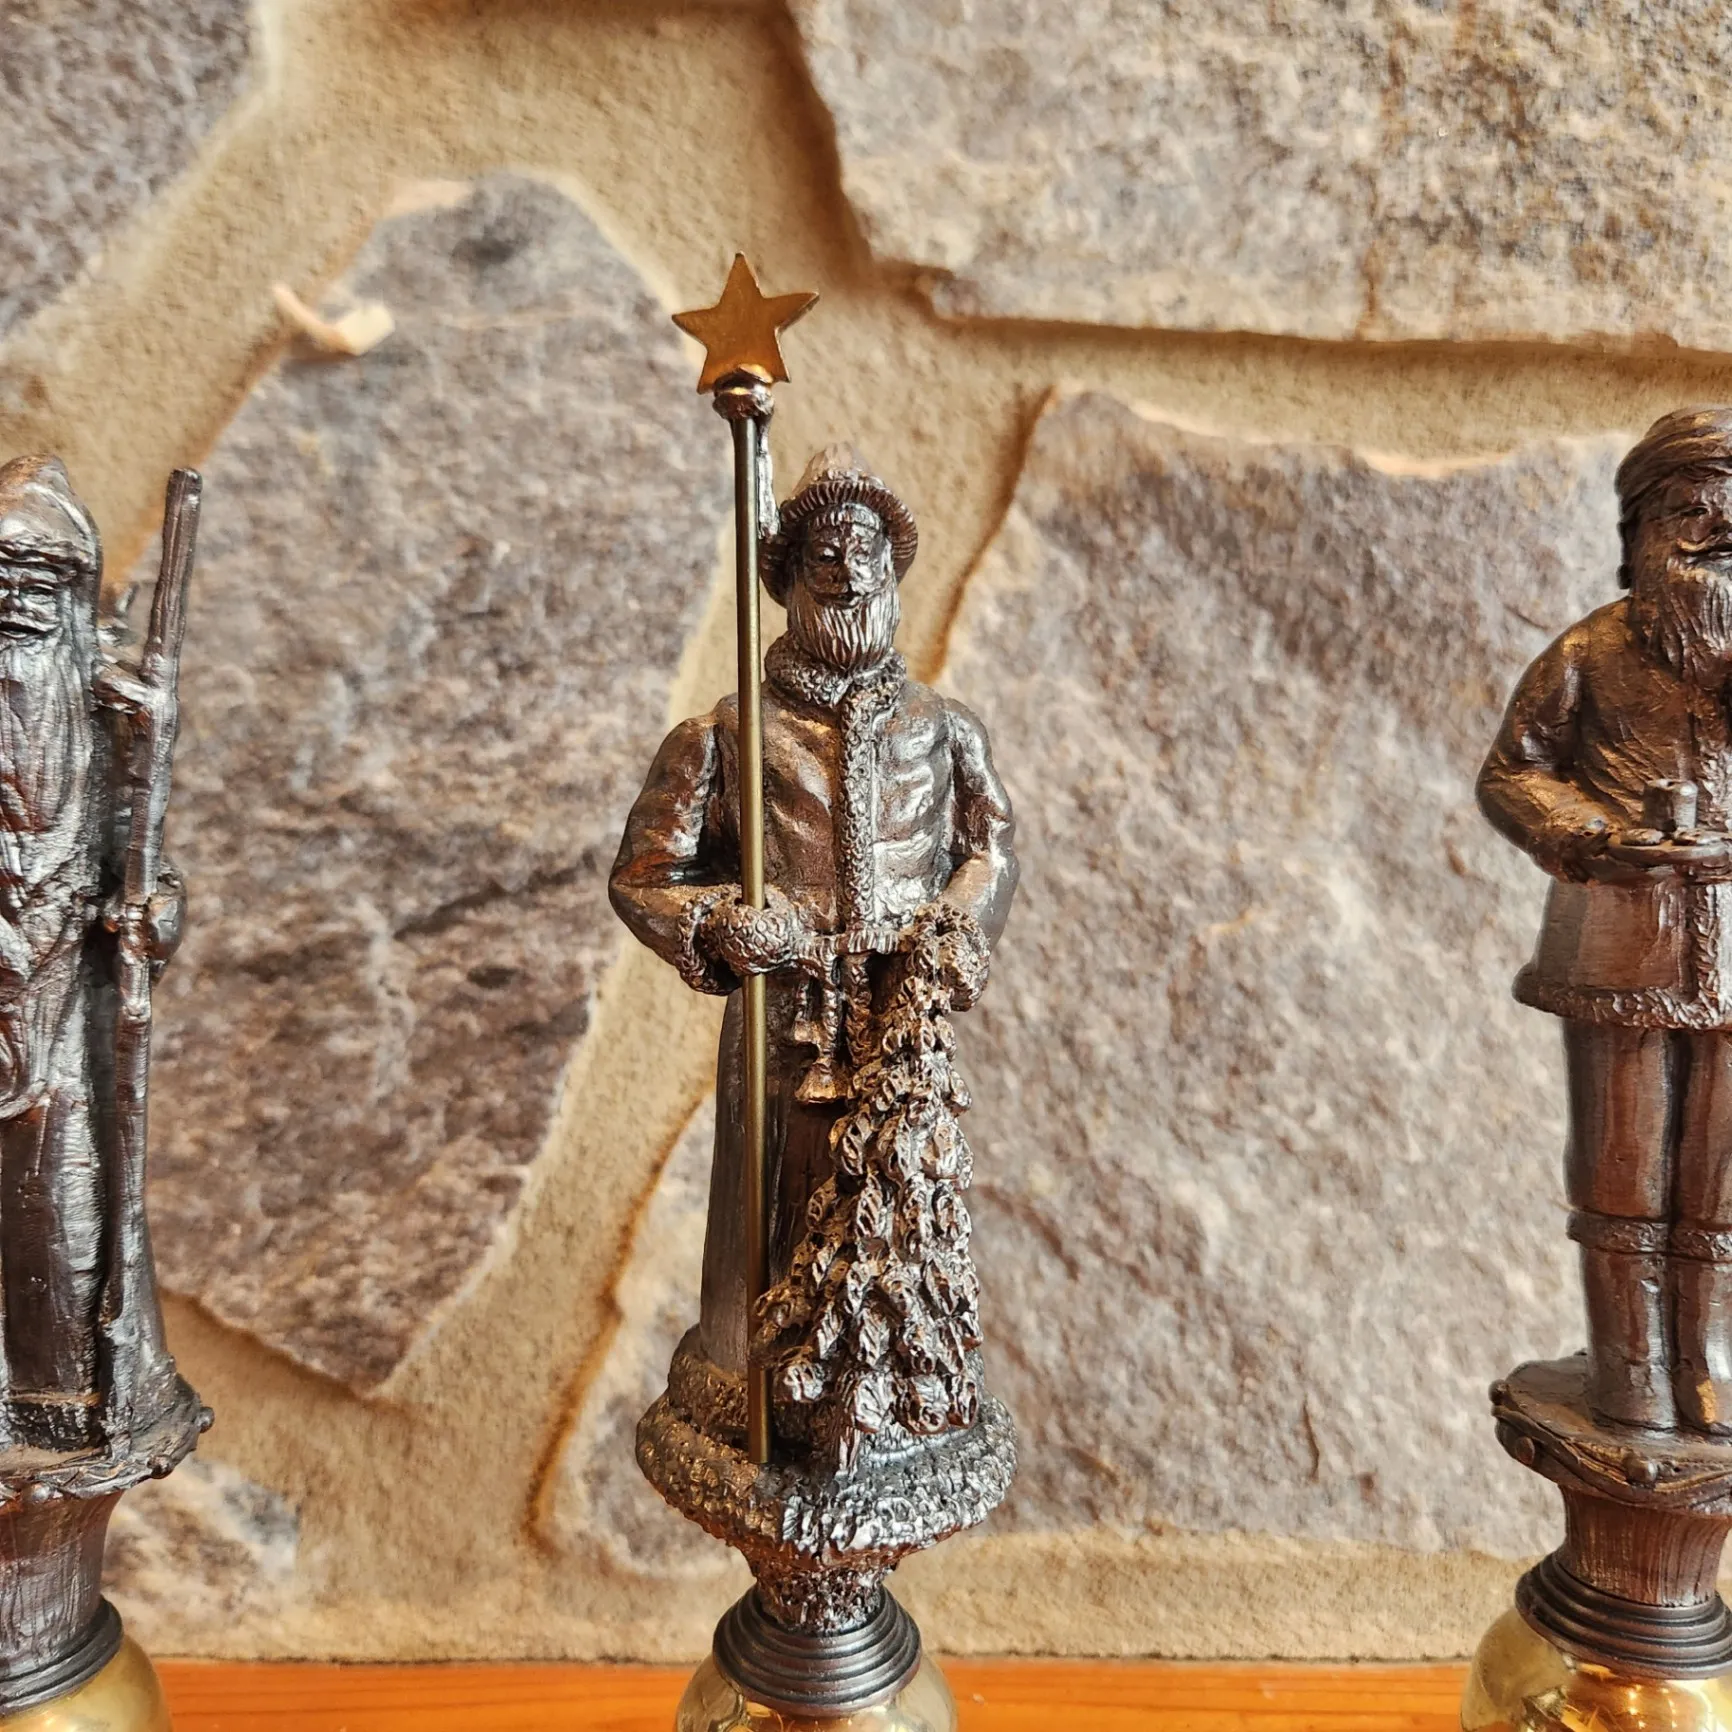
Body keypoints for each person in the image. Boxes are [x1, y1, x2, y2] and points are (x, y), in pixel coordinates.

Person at [611, 447, 1017, 1397]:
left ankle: (889, 1388)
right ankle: (759, 1386)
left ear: (892, 572)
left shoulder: (944, 728)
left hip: (902, 1017)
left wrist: (956, 928)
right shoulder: (728, 735)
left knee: (896, 1216)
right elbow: (644, 877)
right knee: (774, 1219)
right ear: (790, 576)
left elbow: (989, 849)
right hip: (781, 1020)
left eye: (864, 550)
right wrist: (719, 921)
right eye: (824, 552)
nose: (846, 570)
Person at [1481, 406, 1732, 1433]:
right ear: (1637, 535)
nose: (1719, 531)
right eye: (1692, 510)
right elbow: (1513, 772)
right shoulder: (1589, 650)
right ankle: (1632, 1363)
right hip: (1617, 939)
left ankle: (1711, 1363)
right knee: (1622, 1166)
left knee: (1722, 1177)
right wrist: (1588, 831)